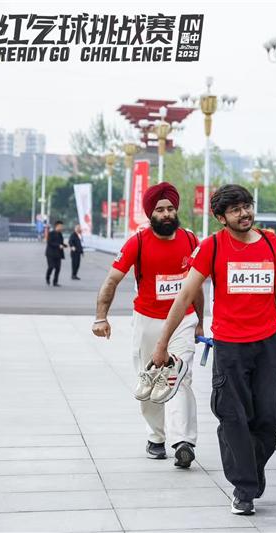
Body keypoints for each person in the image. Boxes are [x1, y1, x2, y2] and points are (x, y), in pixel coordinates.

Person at [152, 184, 276, 516]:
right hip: (230, 347)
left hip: (267, 344)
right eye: (236, 210)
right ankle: (244, 488)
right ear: (221, 218)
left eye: (247, 206)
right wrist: (162, 344)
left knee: (270, 415)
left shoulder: (271, 243)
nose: (245, 213)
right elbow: (185, 295)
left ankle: (251, 468)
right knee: (233, 417)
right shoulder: (213, 247)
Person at [92, 182, 204, 467]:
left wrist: (201, 322)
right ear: (150, 214)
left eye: (170, 209)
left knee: (180, 376)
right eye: (160, 210)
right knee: (149, 380)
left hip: (183, 321)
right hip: (147, 320)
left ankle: (183, 442)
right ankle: (156, 437)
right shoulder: (138, 242)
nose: (166, 214)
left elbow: (196, 287)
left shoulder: (191, 240)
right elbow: (112, 280)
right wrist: (101, 317)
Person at [45, 221, 68, 286]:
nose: (62, 228)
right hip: (50, 253)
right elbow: (49, 242)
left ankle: (55, 282)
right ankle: (47, 277)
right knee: (51, 267)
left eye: (62, 226)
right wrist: (58, 245)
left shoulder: (60, 234)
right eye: (61, 226)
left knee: (58, 268)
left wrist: (65, 245)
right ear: (57, 226)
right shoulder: (51, 233)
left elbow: (61, 243)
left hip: (58, 254)